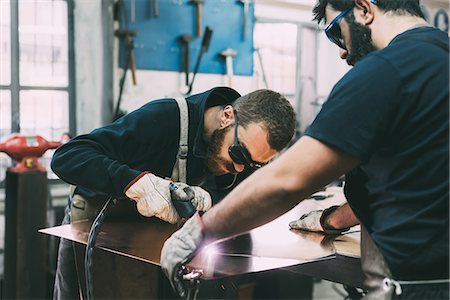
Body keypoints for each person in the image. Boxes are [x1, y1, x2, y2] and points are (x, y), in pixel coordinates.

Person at [161, 0, 449, 299]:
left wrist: (200, 231)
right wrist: (330, 219)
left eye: (336, 32)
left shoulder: (387, 70)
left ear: (364, 8)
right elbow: (413, 184)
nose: (342, 51)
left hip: (415, 288)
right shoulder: (439, 57)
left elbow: (288, 181)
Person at [51, 87, 296, 299]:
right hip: (94, 223)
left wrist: (211, 200)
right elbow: (68, 156)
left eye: (253, 164)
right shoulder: (165, 118)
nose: (240, 168)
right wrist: (139, 184)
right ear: (227, 116)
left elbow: (246, 196)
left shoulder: (243, 147)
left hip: (149, 236)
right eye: (239, 155)